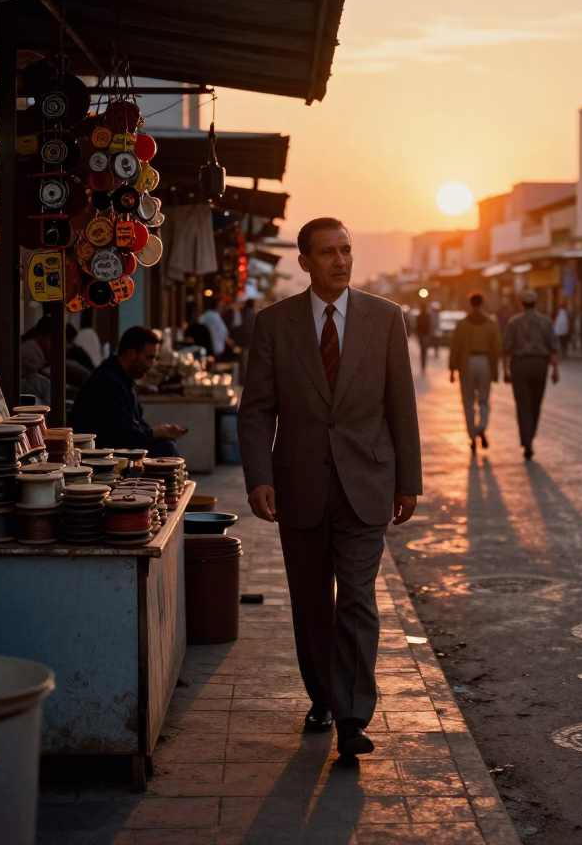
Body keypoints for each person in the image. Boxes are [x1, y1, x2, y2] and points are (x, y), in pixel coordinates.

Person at [237, 217, 422, 759]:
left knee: (358, 600)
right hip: (299, 485)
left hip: (367, 482)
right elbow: (257, 410)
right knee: (312, 603)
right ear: (304, 262)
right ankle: (322, 696)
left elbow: (402, 406)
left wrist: (408, 481)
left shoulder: (385, 318)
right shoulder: (274, 324)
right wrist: (259, 477)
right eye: (327, 253)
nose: (340, 261)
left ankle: (353, 716)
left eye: (346, 250)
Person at [70, 326, 187, 457]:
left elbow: (134, 425)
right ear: (131, 353)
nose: (152, 364)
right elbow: (124, 435)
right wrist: (155, 433)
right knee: (166, 448)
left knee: (166, 444)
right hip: (101, 454)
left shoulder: (123, 378)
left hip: (118, 445)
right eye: (149, 357)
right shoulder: (107, 382)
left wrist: (161, 432)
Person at [503, 288, 559, 460]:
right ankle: (531, 436)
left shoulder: (514, 322)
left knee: (523, 405)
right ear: (536, 303)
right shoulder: (546, 322)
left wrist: (505, 370)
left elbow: (506, 349)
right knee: (535, 403)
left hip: (520, 365)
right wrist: (555, 370)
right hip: (539, 365)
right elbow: (553, 348)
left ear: (522, 304)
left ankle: (526, 439)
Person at [449, 292, 502, 452]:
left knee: (468, 401)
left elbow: (455, 347)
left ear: (470, 304)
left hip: (467, 363)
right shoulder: (491, 324)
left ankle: (472, 436)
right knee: (484, 399)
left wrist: (452, 369)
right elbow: (497, 348)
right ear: (482, 303)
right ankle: (481, 427)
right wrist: (494, 370)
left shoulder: (462, 324)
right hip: (484, 362)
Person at [415, 303, 432, 373]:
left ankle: (423, 364)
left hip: (423, 335)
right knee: (424, 350)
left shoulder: (421, 316)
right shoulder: (425, 316)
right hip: (423, 335)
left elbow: (417, 326)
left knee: (423, 350)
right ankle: (423, 364)